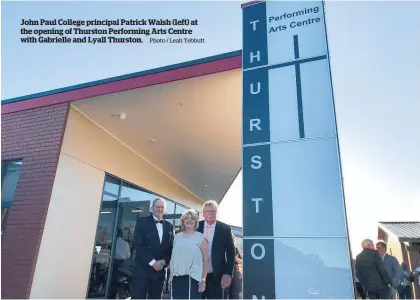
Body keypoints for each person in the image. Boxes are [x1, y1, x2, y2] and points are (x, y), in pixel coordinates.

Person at [131, 198, 174, 299]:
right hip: (142, 270)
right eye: (157, 207)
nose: (160, 209)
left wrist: (163, 261)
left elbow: (170, 247)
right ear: (152, 208)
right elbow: (138, 246)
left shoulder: (169, 226)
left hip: (159, 272)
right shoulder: (142, 222)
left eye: (162, 207)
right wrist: (153, 263)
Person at [197, 200, 235, 299]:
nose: (210, 213)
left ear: (217, 213)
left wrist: (228, 273)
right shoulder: (196, 226)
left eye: (213, 211)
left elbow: (231, 253)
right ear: (203, 213)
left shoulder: (225, 229)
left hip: (216, 275)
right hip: (197, 274)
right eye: (208, 211)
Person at [169, 209, 209, 299]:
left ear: (196, 222)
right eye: (187, 218)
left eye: (192, 219)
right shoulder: (177, 237)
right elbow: (174, 258)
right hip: (176, 279)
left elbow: (206, 260)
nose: (189, 220)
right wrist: (170, 277)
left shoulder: (200, 237)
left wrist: (203, 280)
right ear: (183, 221)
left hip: (192, 279)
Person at [223, 234, 242, 299]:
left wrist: (236, 259)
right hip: (224, 272)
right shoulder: (221, 248)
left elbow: (241, 261)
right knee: (223, 294)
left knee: (235, 294)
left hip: (235, 273)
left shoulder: (235, 249)